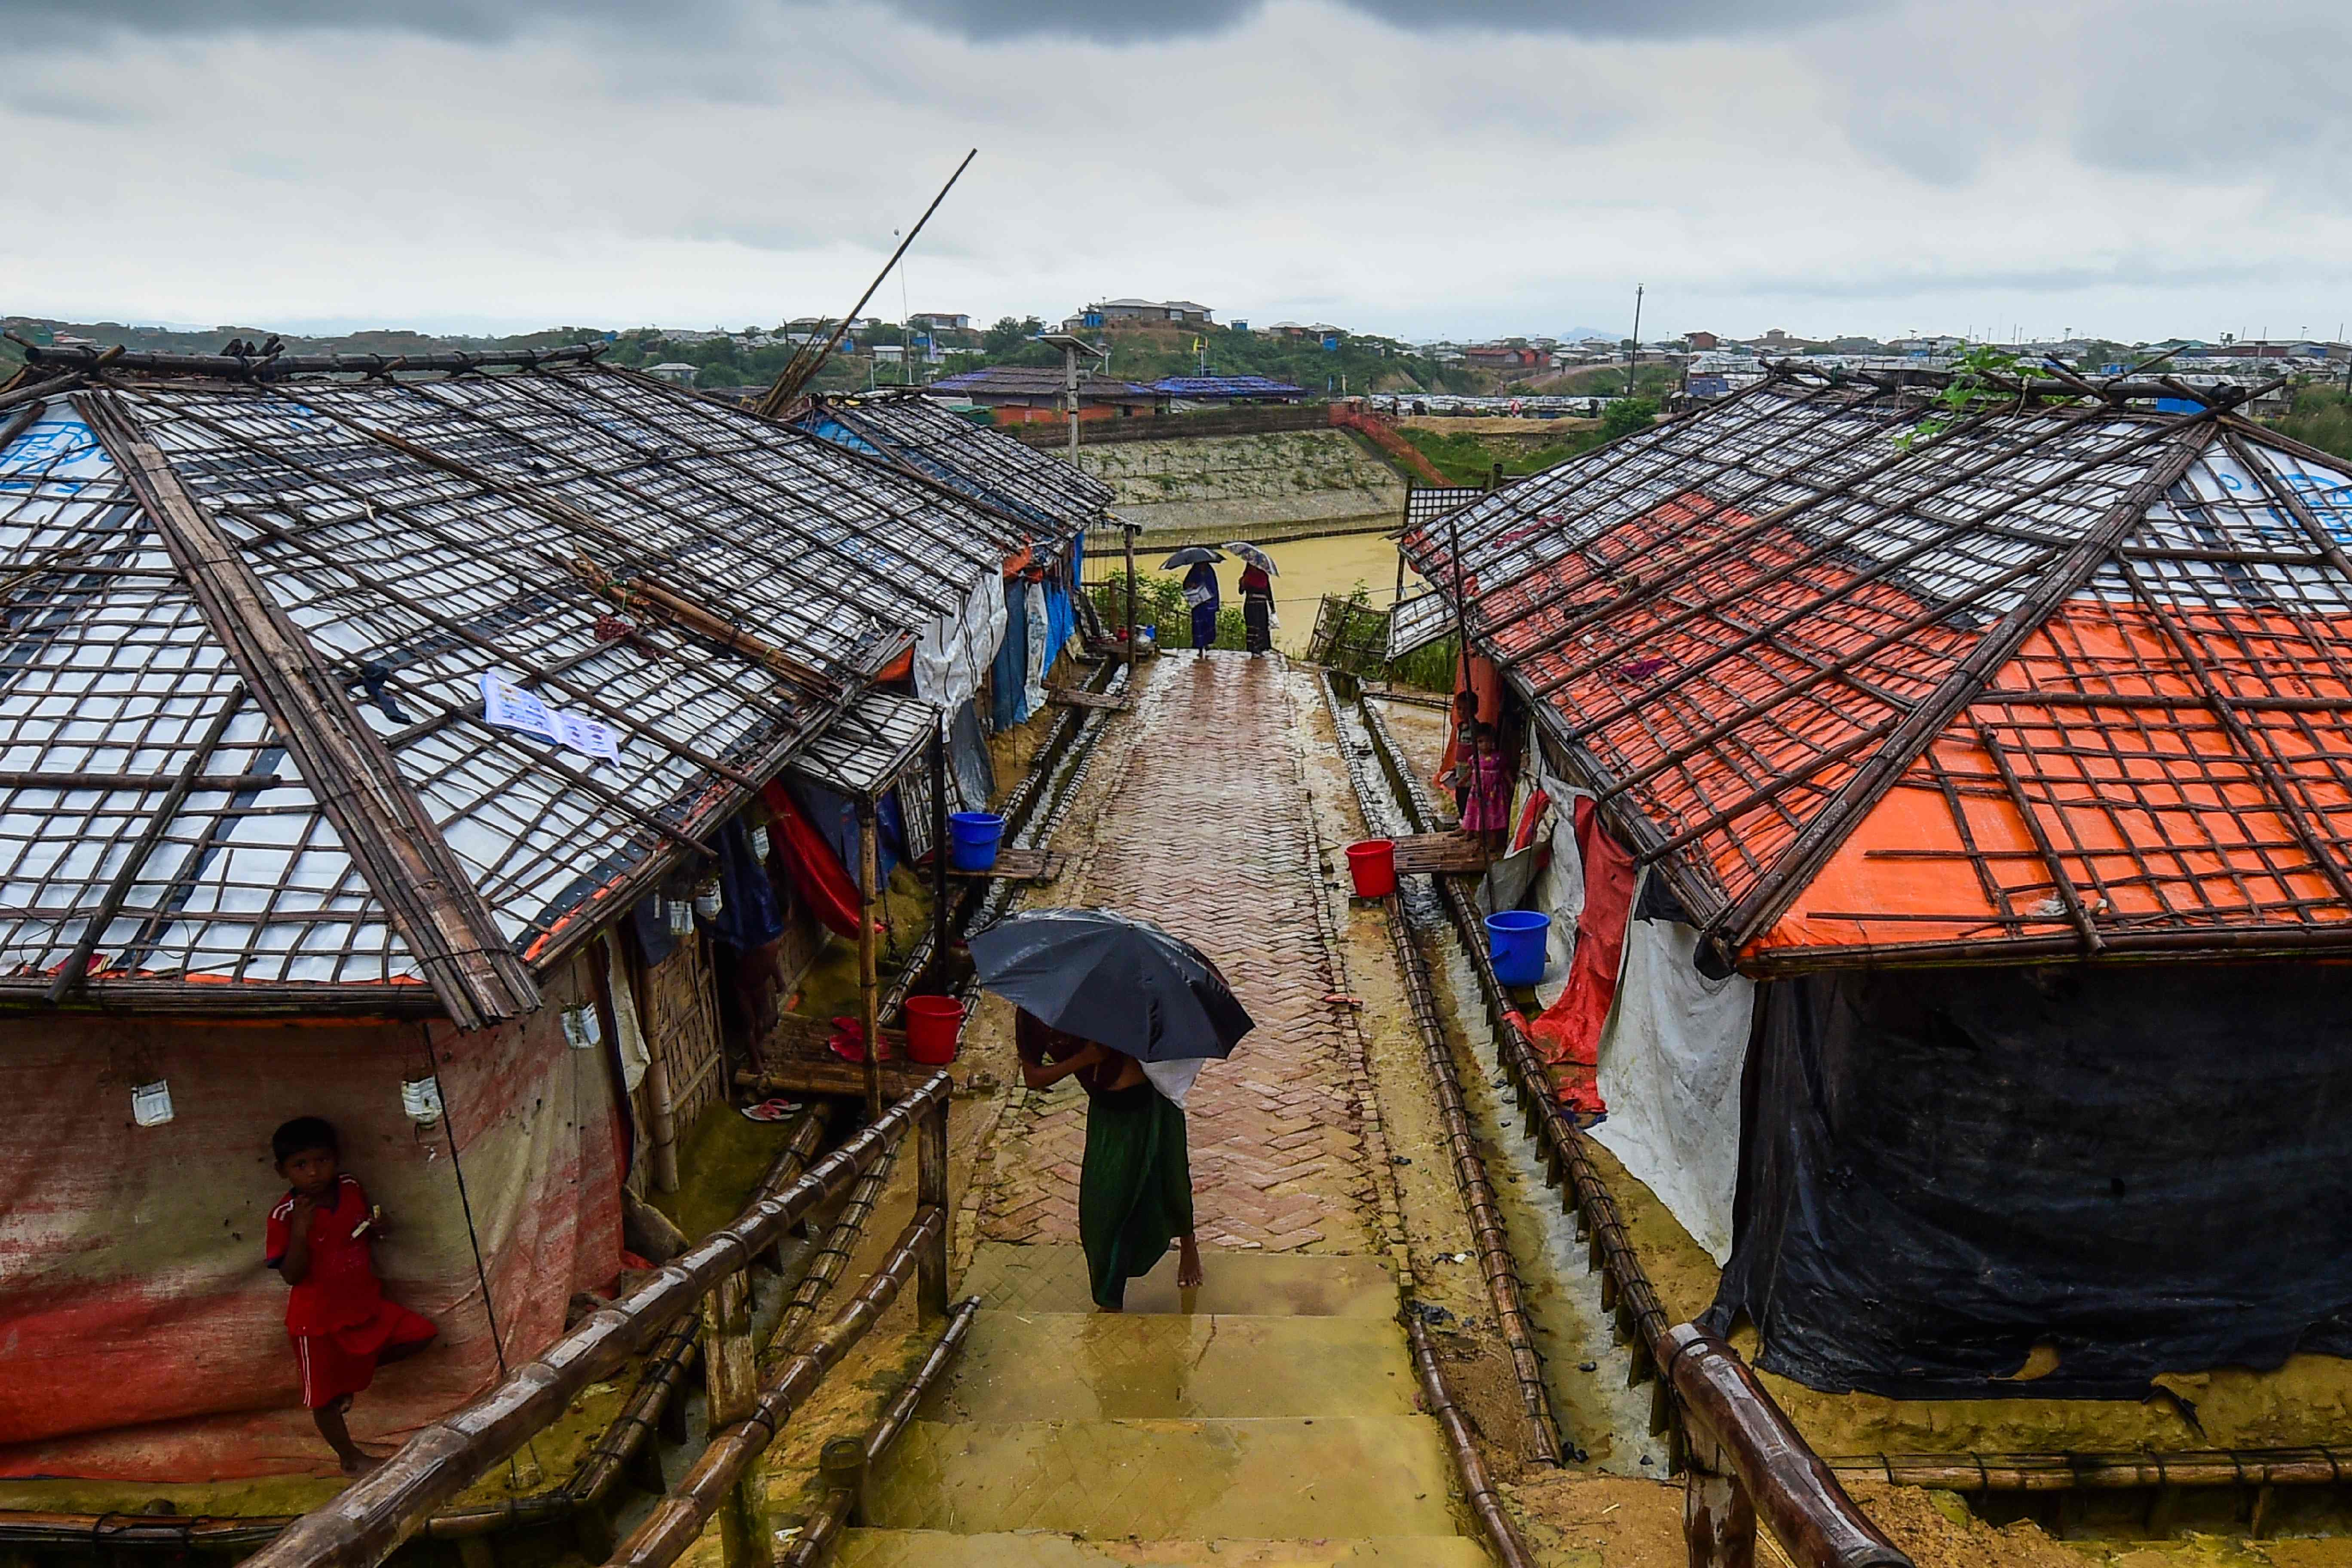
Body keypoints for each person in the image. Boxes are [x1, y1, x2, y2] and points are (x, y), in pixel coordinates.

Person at [265, 1116, 438, 1475]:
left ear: (337, 1159)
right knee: (324, 1400)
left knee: (423, 1334)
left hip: (364, 1307)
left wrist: (380, 1227)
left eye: (322, 1161)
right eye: (301, 1166)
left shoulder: (350, 1186)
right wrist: (300, 1231)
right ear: (282, 1172)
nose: (314, 1173)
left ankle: (350, 1379)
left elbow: (366, 1226)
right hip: (316, 1324)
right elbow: (291, 1275)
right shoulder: (285, 1215)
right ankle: (350, 1458)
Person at [1015, 1010, 1203, 1309]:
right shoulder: (1031, 1015)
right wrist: (1084, 1059)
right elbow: (1032, 1077)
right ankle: (1108, 1295)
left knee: (1173, 1180)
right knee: (1101, 1207)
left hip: (1153, 1102)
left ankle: (1189, 1246)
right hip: (1108, 1111)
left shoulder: (1114, 996)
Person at [1454, 722, 1515, 858]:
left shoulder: (1498, 758)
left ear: (1493, 742)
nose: (1485, 745)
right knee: (1479, 816)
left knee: (1493, 818)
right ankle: (1480, 842)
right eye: (1481, 742)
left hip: (1494, 794)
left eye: (1488, 741)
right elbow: (1471, 771)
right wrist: (1463, 780)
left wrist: (1511, 783)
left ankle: (1493, 844)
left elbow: (1504, 771)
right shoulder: (1475, 758)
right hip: (1478, 793)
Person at [1181, 558, 1221, 654]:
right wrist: (1192, 585)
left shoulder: (1210, 572)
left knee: (1209, 625)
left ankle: (1207, 644)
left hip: (1209, 604)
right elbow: (1186, 584)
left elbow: (1214, 588)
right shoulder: (1194, 572)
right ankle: (1199, 647)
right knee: (1198, 626)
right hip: (1198, 604)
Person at [1239, 563, 1274, 655]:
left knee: (1254, 626)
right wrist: (1272, 608)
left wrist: (1242, 582)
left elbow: (1241, 592)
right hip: (1260, 606)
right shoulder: (1263, 576)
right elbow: (1269, 593)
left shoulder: (1247, 577)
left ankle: (1253, 648)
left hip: (1252, 606)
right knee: (1260, 627)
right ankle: (1258, 648)